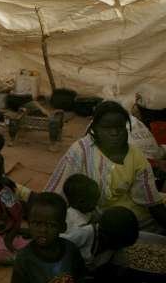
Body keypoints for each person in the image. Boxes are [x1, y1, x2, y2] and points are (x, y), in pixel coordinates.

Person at [45, 100, 166, 233]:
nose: (114, 133)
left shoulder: (135, 155)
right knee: (70, 222)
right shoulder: (80, 150)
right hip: (87, 213)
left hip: (123, 214)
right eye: (106, 128)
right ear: (95, 129)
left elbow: (149, 199)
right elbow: (56, 193)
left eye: (119, 127)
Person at [11, 193, 123, 283]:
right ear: (29, 224)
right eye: (36, 224)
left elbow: (80, 275)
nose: (43, 231)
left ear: (63, 227)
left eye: (51, 225)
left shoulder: (70, 249)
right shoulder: (24, 258)